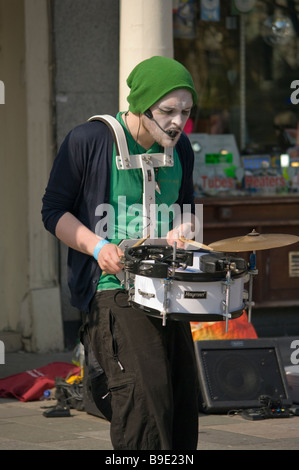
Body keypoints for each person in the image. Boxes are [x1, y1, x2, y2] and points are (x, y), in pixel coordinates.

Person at [42, 55, 199, 450]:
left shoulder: (183, 150)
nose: (177, 121)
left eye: (185, 111)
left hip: (168, 287)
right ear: (140, 106)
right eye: (167, 111)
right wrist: (97, 247)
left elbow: (186, 208)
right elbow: (53, 210)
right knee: (146, 396)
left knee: (181, 400)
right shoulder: (88, 140)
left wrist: (183, 229)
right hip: (112, 287)